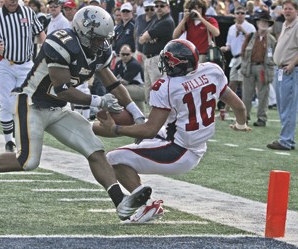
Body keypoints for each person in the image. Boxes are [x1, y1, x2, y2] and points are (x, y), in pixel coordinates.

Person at [0, 6, 151, 222]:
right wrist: (97, 101)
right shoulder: (60, 43)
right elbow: (62, 89)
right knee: (28, 161)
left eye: (104, 38)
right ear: (83, 31)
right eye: (97, 38)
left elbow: (112, 82)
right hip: (32, 102)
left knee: (94, 149)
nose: (101, 43)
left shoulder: (100, 49)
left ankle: (120, 202)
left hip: (58, 109)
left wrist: (136, 114)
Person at [95, 39, 251, 223]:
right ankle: (147, 202)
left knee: (112, 158)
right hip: (189, 140)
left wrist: (116, 129)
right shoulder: (212, 70)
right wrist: (241, 124)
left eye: (167, 60)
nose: (164, 64)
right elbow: (239, 107)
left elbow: (149, 130)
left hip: (179, 150)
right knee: (137, 132)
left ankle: (148, 204)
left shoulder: (167, 86)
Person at [0, 0, 46, 152]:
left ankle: (24, 137)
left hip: (26, 63)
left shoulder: (28, 12)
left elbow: (40, 33)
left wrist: (47, 51)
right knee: (7, 103)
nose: (13, 2)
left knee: (26, 102)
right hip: (4, 64)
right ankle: (9, 141)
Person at [267, 0, 298, 150]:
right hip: (281, 70)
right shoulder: (286, 24)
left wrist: (292, 63)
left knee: (289, 107)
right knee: (282, 107)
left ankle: (286, 141)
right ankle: (288, 139)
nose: (286, 11)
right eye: (285, 8)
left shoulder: (297, 25)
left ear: (296, 10)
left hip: (290, 71)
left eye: (290, 9)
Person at [219, 5, 256, 119]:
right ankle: (226, 110)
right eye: (238, 13)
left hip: (245, 58)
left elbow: (254, 42)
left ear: (246, 15)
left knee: (243, 85)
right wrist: (224, 48)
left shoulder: (250, 27)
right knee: (232, 84)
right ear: (234, 14)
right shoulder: (231, 28)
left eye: (242, 13)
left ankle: (244, 111)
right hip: (234, 58)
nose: (240, 15)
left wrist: (243, 31)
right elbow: (229, 45)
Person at [241, 11, 276, 127]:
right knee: (246, 94)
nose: (263, 24)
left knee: (263, 95)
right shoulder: (250, 36)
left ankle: (262, 119)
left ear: (269, 24)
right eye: (261, 21)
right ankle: (244, 117)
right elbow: (243, 51)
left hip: (263, 68)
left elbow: (275, 55)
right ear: (257, 23)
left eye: (266, 22)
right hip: (249, 67)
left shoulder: (272, 39)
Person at [139, 0, 174, 109]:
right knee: (149, 91)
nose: (158, 8)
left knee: (158, 90)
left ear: (167, 7)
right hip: (149, 59)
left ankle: (161, 120)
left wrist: (147, 38)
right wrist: (149, 38)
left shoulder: (166, 21)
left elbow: (144, 38)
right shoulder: (157, 20)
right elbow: (141, 38)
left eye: (162, 5)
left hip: (157, 59)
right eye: (157, 5)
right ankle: (152, 119)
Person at [113, 44, 145, 113]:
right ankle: (139, 118)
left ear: (131, 54)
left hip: (141, 88)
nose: (125, 56)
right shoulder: (119, 63)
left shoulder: (134, 64)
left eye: (127, 54)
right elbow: (113, 76)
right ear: (119, 54)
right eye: (123, 54)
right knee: (139, 110)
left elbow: (124, 81)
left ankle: (118, 112)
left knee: (119, 90)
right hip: (132, 88)